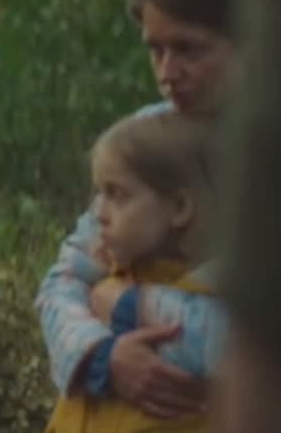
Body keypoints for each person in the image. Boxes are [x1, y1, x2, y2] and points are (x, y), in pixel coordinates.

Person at [34, 0, 238, 419]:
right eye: (155, 50)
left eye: (189, 49)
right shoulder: (147, 137)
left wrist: (127, 305)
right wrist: (106, 358)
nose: (167, 72)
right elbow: (65, 281)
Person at [44, 111, 227, 433]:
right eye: (98, 193)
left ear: (179, 208)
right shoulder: (105, 272)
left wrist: (128, 306)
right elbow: (57, 286)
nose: (99, 213)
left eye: (117, 195)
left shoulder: (216, 294)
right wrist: (102, 355)